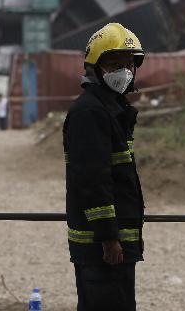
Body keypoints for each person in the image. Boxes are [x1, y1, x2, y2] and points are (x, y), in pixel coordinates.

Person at [64, 22, 145, 311]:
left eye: (128, 64)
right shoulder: (91, 112)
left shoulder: (111, 109)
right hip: (104, 250)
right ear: (95, 67)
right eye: (114, 64)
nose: (123, 71)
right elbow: (92, 179)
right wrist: (109, 237)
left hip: (113, 247)